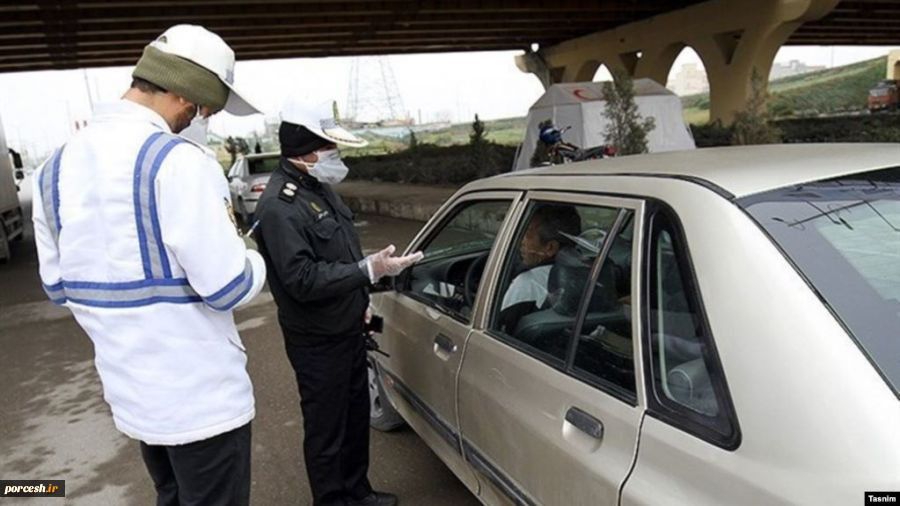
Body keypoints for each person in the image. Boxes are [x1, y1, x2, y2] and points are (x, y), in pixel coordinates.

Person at [32, 25, 266, 506]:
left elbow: (58, 287)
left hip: (136, 399)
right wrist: (254, 258)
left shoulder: (53, 169)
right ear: (184, 96)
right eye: (205, 109)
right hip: (204, 403)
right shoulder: (179, 162)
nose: (200, 121)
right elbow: (227, 288)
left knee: (171, 497)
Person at [254, 99, 422, 506]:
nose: (336, 156)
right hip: (317, 341)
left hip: (347, 327)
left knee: (352, 422)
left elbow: (340, 254)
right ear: (306, 152)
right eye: (330, 149)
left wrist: (362, 293)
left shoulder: (319, 189)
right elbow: (302, 279)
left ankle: (358, 493)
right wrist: (369, 270)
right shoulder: (280, 206)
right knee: (327, 431)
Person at [499, 204, 581, 331]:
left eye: (527, 234)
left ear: (550, 248)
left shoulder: (527, 284)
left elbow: (499, 328)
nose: (521, 241)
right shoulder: (587, 275)